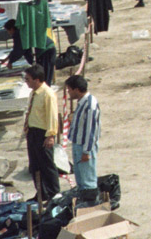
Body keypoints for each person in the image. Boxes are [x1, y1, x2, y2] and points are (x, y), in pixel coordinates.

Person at [22, 67, 60, 203]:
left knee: (47, 165)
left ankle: (54, 193)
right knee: (35, 165)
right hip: (32, 132)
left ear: (37, 80)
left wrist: (50, 135)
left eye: (28, 79)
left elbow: (52, 115)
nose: (26, 82)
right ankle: (41, 193)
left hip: (42, 133)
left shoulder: (47, 94)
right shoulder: (34, 93)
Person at [67, 75, 101, 198]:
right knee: (80, 179)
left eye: (69, 90)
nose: (68, 93)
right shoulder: (82, 103)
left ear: (77, 90)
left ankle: (90, 204)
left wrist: (86, 152)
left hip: (85, 147)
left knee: (88, 181)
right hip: (78, 144)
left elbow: (91, 131)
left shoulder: (90, 105)